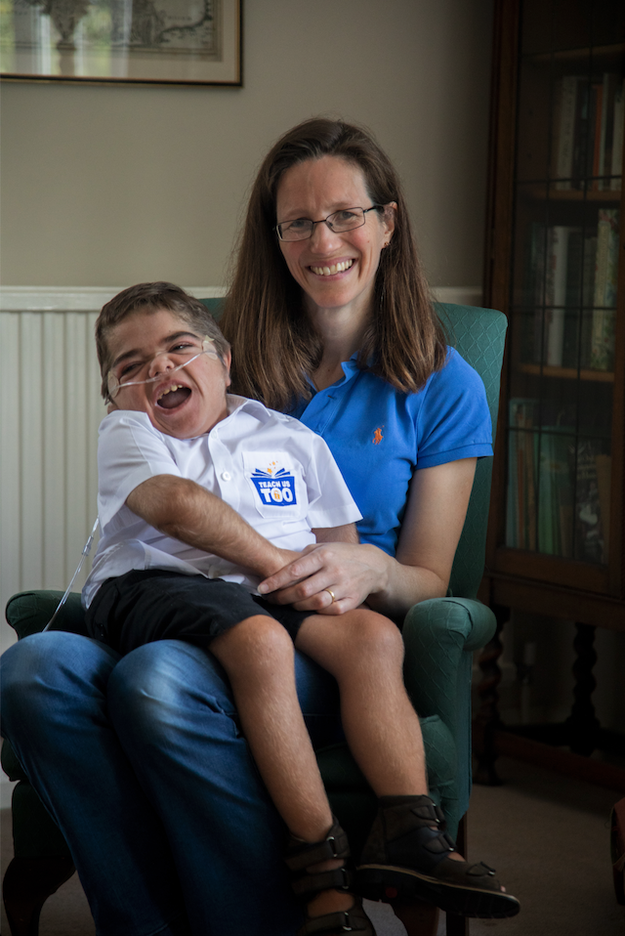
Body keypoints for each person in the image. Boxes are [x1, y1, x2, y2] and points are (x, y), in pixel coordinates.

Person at [0, 119, 519, 936]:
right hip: (183, 601)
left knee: (158, 683)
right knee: (34, 669)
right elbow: (154, 474)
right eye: (298, 223)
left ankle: (292, 899)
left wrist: (367, 572)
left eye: (346, 214)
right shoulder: (217, 355)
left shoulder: (440, 383)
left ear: (387, 223)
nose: (325, 241)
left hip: (314, 627)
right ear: (273, 239)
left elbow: (424, 575)